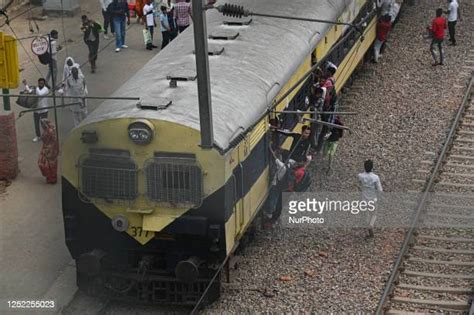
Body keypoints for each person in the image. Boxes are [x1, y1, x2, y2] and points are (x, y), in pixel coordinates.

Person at [357, 160, 383, 238]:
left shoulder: (360, 176)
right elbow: (380, 190)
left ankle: (367, 231)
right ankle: (371, 225)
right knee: (374, 213)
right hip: (373, 199)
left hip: (363, 199)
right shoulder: (375, 177)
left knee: (365, 214)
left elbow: (359, 185)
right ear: (372, 167)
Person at [23, 78, 50, 142]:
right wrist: (26, 84)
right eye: (40, 83)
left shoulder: (46, 90)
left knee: (44, 124)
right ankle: (38, 136)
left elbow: (40, 94)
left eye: (42, 83)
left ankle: (46, 136)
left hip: (44, 110)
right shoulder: (37, 89)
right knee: (36, 124)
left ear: (44, 84)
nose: (41, 84)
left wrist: (36, 88)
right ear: (38, 83)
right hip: (36, 110)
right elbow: (30, 91)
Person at [38, 119, 59, 184]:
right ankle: (53, 178)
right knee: (53, 164)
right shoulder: (53, 130)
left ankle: (50, 178)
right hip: (54, 150)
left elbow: (43, 138)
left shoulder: (47, 132)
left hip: (48, 150)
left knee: (46, 164)